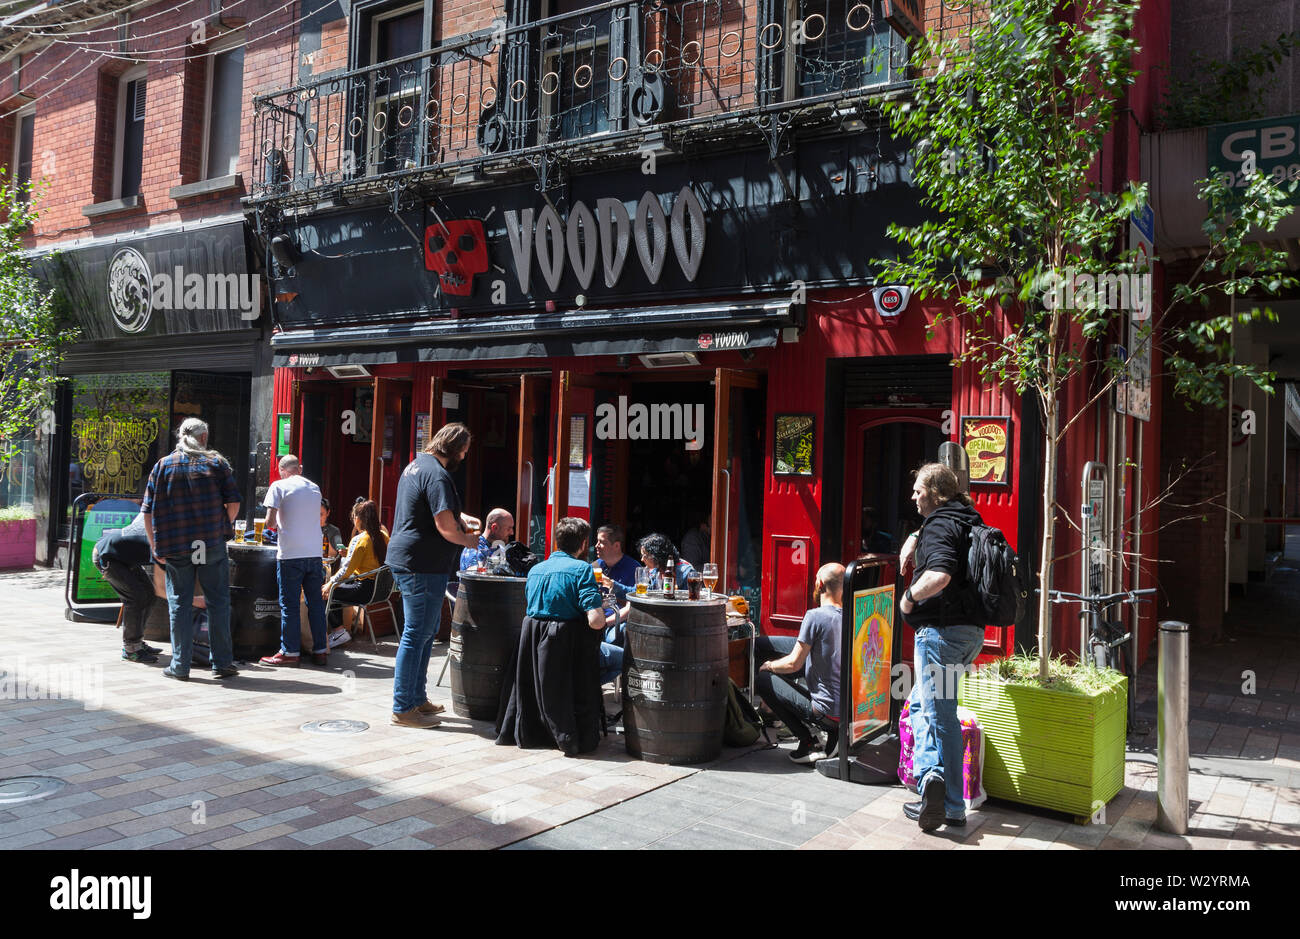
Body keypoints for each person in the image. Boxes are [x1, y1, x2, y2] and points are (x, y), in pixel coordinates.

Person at [898, 462, 986, 832]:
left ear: (936, 493)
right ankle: (933, 782)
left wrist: (908, 598)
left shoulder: (938, 524)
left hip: (941, 634)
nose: (913, 496)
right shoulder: (968, 517)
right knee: (921, 703)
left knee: (940, 715)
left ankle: (947, 800)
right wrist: (916, 536)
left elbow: (941, 574)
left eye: (919, 490)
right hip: (969, 634)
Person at [386, 422, 480, 728]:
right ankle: (403, 707)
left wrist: (460, 516)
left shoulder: (416, 466)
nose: (464, 458)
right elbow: (443, 526)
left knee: (425, 631)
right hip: (421, 563)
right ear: (454, 448)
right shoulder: (438, 475)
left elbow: (429, 510)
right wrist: (469, 539)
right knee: (417, 633)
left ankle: (416, 698)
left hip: (413, 560)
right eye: (464, 451)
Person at [140, 417, 241, 681]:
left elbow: (147, 512)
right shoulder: (217, 463)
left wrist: (154, 544)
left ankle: (180, 665)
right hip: (210, 543)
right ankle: (222, 664)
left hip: (176, 544)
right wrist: (222, 526)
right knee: (217, 602)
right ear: (204, 437)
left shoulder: (162, 466)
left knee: (179, 605)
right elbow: (233, 503)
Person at [495, 516, 607, 755]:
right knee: (614, 659)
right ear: (583, 543)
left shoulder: (536, 570)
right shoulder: (582, 569)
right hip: (565, 648)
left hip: (531, 644)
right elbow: (596, 622)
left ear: (557, 541)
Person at [755, 563, 844, 764]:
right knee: (761, 644)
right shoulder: (851, 615)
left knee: (763, 679)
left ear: (819, 584)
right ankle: (768, 711)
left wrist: (769, 666)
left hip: (826, 712)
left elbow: (794, 664)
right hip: (844, 710)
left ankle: (807, 742)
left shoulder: (815, 616)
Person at [259, 455, 330, 667]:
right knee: (315, 603)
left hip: (291, 554)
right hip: (314, 553)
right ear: (299, 468)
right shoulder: (314, 487)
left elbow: (270, 523)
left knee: (289, 605)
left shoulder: (278, 486)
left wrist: (277, 523)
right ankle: (320, 651)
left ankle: (290, 652)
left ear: (282, 470)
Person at [93, 512, 164, 663]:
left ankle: (138, 641)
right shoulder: (163, 542)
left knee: (149, 596)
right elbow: (161, 586)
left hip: (123, 557)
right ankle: (131, 649)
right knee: (135, 599)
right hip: (107, 556)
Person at [323, 499, 389, 632]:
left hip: (363, 590)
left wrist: (329, 584)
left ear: (358, 519)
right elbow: (370, 557)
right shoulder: (383, 536)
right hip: (380, 591)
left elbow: (346, 570)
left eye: (353, 518)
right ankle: (341, 632)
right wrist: (349, 552)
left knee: (325, 593)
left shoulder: (360, 540)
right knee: (336, 588)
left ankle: (339, 631)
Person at [459, 507, 514, 571]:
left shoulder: (501, 548)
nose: (512, 533)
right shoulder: (474, 547)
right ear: (495, 528)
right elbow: (474, 575)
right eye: (508, 529)